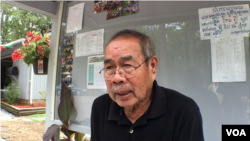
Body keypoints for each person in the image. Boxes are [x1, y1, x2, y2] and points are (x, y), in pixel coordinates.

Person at [90, 29, 204, 141]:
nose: (116, 78)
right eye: (109, 67)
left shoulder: (184, 112)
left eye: (127, 65)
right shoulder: (100, 107)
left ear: (152, 66)